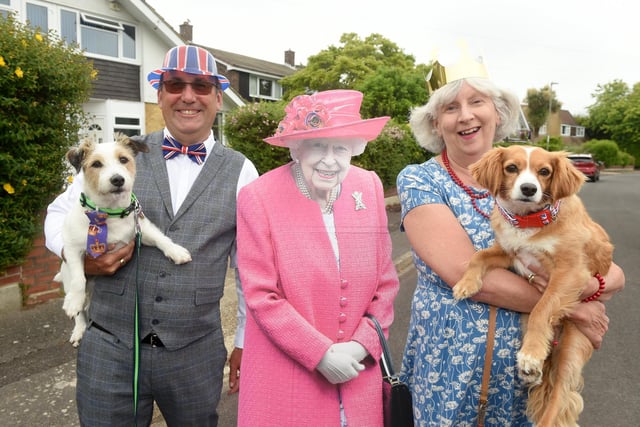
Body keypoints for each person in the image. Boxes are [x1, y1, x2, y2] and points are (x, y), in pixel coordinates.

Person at [396, 57, 625, 426]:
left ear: (498, 113)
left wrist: (601, 282)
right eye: (451, 107)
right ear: (436, 123)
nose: (466, 116)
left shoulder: (539, 183)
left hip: (523, 374)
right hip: (449, 368)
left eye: (477, 102)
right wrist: (572, 309)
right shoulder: (421, 180)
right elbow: (460, 271)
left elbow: (601, 262)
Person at [44, 45, 258, 426]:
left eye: (202, 86)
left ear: (218, 98)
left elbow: (249, 266)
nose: (188, 96)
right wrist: (78, 256)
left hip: (196, 350)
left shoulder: (242, 171)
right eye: (175, 84)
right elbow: (60, 212)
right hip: (110, 345)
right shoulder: (119, 153)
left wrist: (244, 338)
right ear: (159, 94)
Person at [235, 89, 400, 426]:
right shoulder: (258, 198)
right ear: (296, 149)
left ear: (355, 148)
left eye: (341, 147)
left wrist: (362, 345)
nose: (330, 160)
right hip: (288, 385)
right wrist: (320, 354)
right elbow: (261, 295)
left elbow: (385, 282)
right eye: (317, 146)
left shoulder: (368, 186)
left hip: (358, 381)